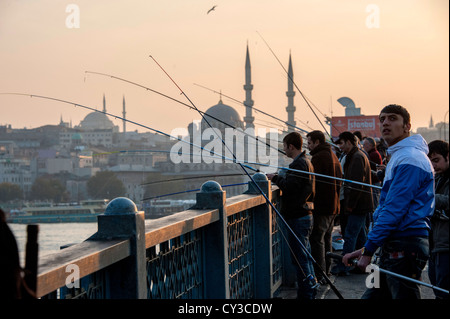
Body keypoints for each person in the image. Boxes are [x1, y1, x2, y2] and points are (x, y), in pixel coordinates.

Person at [343, 104, 434, 299]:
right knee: (372, 295)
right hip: (392, 244)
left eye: (392, 118)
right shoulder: (401, 155)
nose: (385, 123)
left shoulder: (410, 158)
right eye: (382, 119)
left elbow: (394, 209)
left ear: (407, 126)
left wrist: (369, 250)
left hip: (404, 246)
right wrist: (365, 249)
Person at [266, 131, 316, 299]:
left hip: (298, 216)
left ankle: (306, 293)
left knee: (300, 258)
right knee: (305, 256)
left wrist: (275, 178)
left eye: (284, 146)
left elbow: (291, 187)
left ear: (291, 146)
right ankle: (311, 288)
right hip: (305, 214)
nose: (284, 150)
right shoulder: (306, 162)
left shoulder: (298, 164)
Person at [331, 131, 373, 276]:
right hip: (362, 205)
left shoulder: (356, 157)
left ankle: (345, 266)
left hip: (358, 205)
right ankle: (362, 266)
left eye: (342, 143)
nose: (340, 147)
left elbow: (356, 185)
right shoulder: (357, 155)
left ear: (349, 142)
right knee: (361, 236)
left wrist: (350, 205)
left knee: (350, 235)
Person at [306, 130, 343, 283]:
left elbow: (310, 182)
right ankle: (327, 271)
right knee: (326, 239)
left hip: (322, 206)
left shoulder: (319, 157)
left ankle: (320, 274)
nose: (308, 146)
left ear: (317, 142)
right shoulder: (333, 156)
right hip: (333, 206)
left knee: (317, 240)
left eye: (309, 143)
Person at [427, 140, 449, 299]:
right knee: (437, 286)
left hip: (445, 246)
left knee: (443, 292)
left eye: (436, 160)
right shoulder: (439, 177)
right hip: (435, 245)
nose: (433, 165)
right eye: (430, 162)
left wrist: (427, 198)